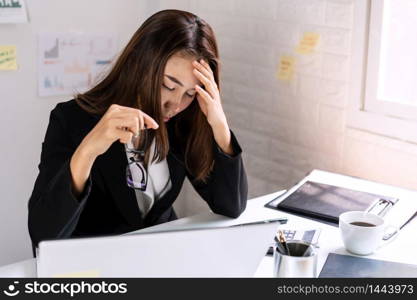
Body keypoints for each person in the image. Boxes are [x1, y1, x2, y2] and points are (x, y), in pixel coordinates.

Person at [28, 9, 248, 255]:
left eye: (190, 93)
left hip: (160, 259)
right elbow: (43, 235)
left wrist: (219, 124)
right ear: (139, 64)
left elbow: (231, 206)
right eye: (168, 85)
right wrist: (88, 150)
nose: (175, 105)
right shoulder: (71, 119)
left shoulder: (183, 122)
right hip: (96, 267)